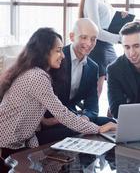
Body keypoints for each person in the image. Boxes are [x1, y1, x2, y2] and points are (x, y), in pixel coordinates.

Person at [0, 28, 116, 157]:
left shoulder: (34, 71)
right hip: (9, 142)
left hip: (25, 137)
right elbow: (62, 114)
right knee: (73, 132)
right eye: (58, 50)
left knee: (89, 126)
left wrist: (46, 121)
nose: (63, 55)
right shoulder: (36, 76)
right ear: (44, 52)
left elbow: (26, 108)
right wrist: (98, 129)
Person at [38, 18, 116, 145]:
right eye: (84, 37)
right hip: (49, 120)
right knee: (74, 131)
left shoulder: (93, 67)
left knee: (111, 123)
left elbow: (92, 106)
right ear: (72, 36)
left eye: (93, 39)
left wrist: (85, 118)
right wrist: (45, 120)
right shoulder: (57, 58)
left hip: (72, 117)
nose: (89, 43)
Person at [79, 0, 125, 97]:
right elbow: (96, 31)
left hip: (108, 45)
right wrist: (120, 39)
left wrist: (122, 16)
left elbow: (109, 21)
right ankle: (91, 114)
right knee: (98, 86)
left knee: (118, 79)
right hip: (98, 46)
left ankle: (113, 111)